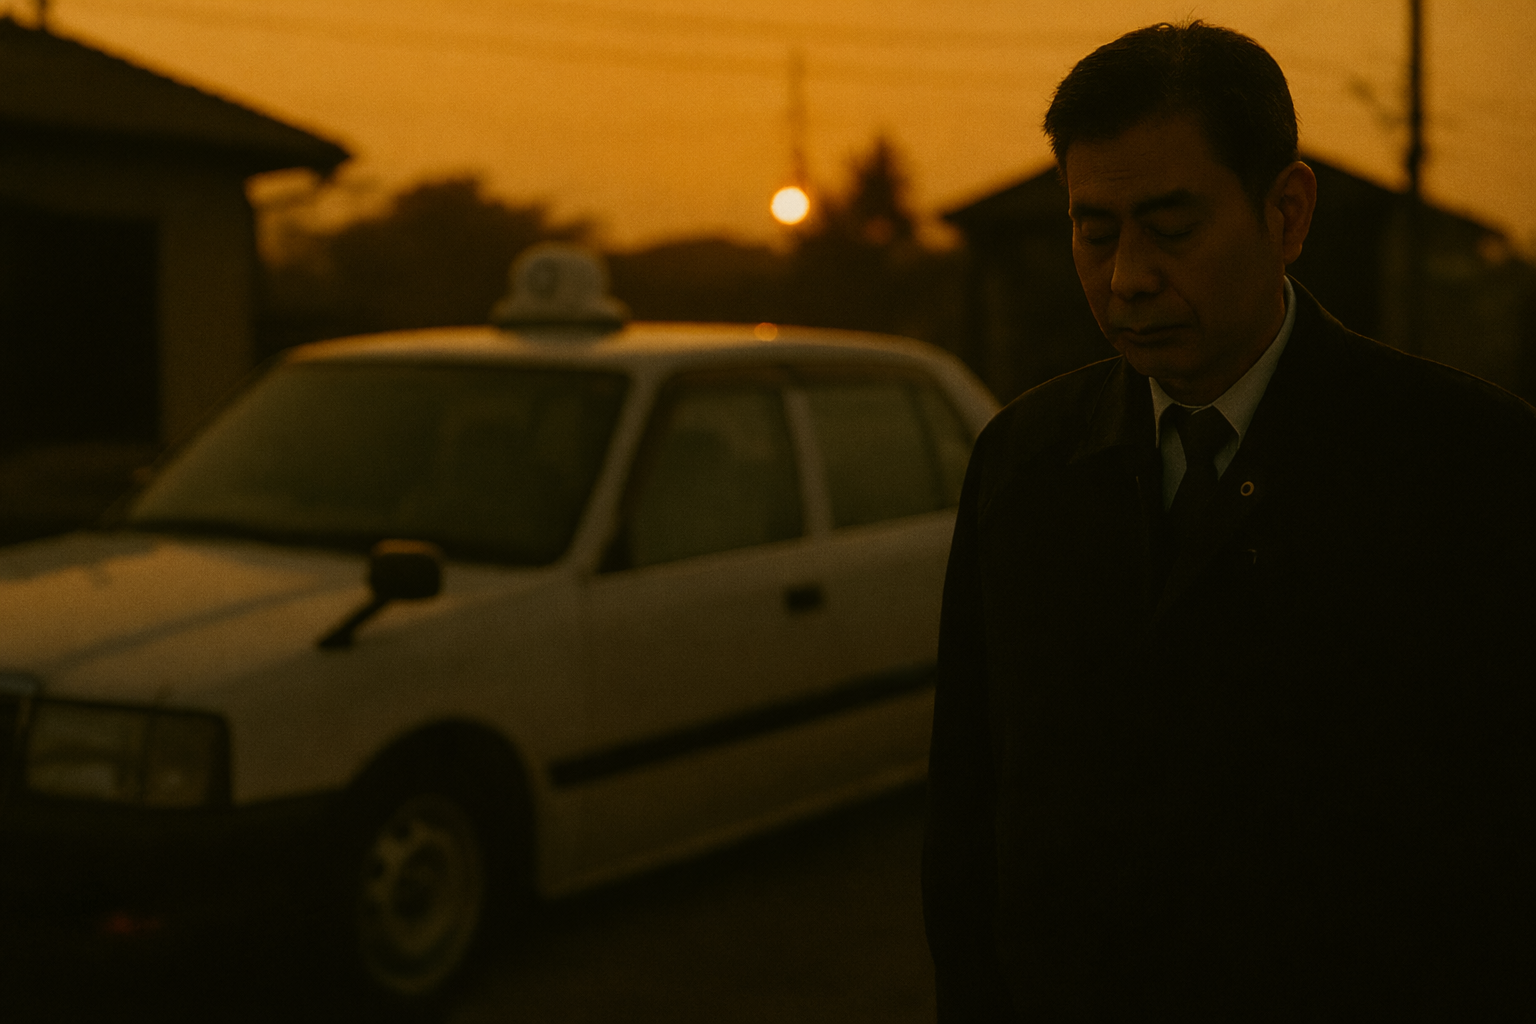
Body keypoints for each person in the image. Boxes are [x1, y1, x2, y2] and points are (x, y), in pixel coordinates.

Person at [922, 20, 1535, 1021]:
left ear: (1287, 213)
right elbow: (969, 817)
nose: (1127, 277)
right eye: (1094, 229)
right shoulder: (1022, 464)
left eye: (1172, 227)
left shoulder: (1472, 465)